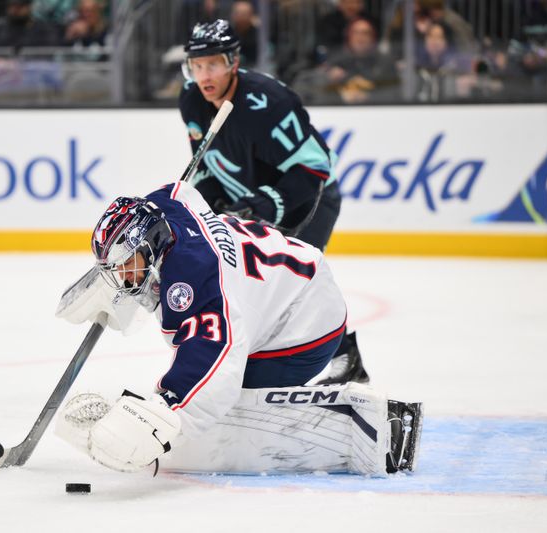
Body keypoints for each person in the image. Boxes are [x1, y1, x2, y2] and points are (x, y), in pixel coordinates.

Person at [54, 180, 423, 476]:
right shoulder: (165, 207)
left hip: (304, 329)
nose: (123, 277)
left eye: (126, 264)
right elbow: (182, 190)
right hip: (296, 278)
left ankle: (366, 429)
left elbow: (214, 362)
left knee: (227, 400)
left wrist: (166, 414)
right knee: (220, 379)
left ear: (151, 245)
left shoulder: (195, 282)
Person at [178, 19, 338, 252]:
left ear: (233, 62)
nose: (204, 77)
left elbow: (315, 169)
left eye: (213, 64)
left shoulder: (271, 105)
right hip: (246, 206)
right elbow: (204, 163)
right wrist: (214, 203)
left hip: (308, 202)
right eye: (197, 66)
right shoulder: (191, 98)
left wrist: (260, 206)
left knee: (293, 285)